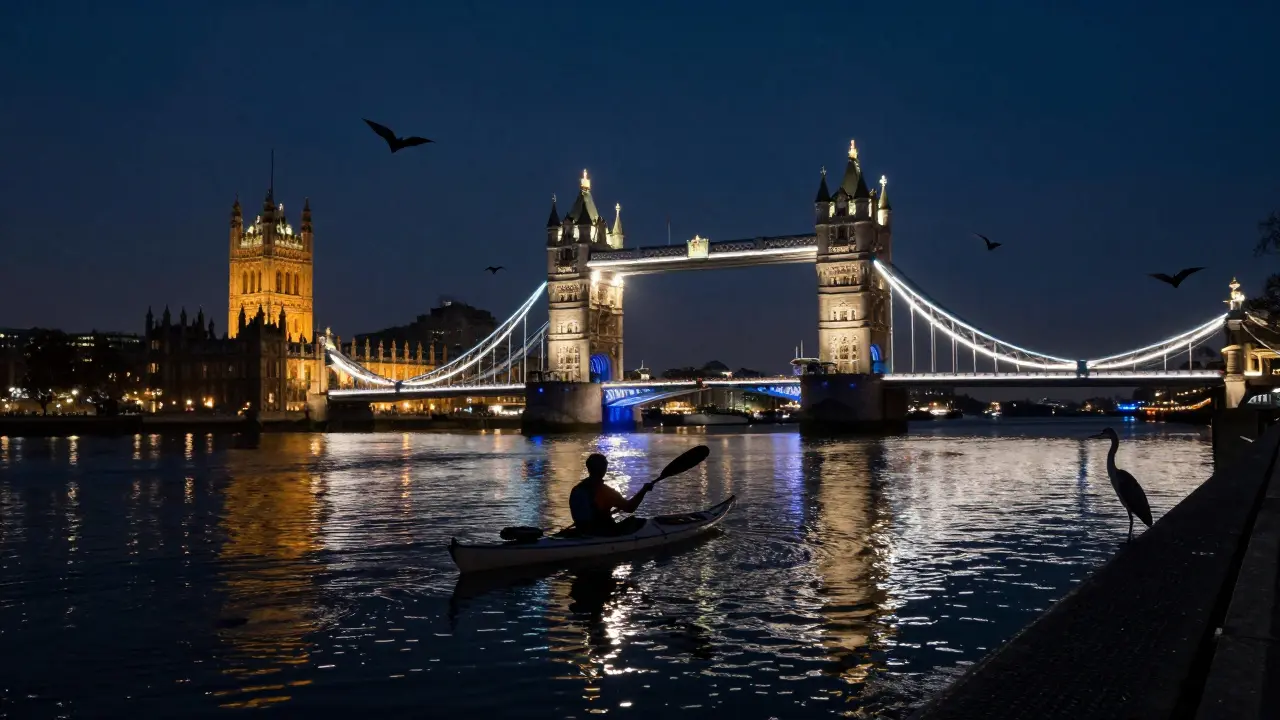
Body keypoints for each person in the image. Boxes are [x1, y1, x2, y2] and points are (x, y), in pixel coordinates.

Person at [569, 453, 653, 536]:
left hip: (582, 531)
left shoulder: (576, 490)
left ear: (588, 468)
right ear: (604, 469)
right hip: (604, 533)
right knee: (636, 522)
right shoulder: (606, 492)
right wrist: (643, 490)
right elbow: (630, 507)